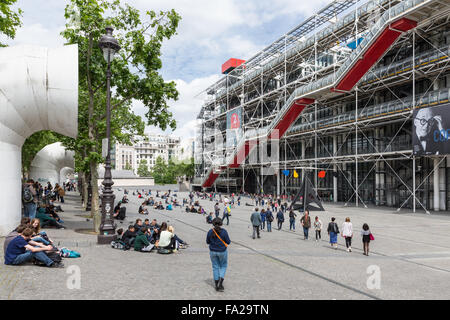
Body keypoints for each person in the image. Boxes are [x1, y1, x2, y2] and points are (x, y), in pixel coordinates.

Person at [206, 218, 231, 292]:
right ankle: (220, 282)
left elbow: (207, 242)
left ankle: (216, 283)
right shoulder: (224, 232)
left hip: (213, 251)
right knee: (223, 266)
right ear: (221, 223)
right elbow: (228, 242)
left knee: (215, 267)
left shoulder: (210, 232)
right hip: (222, 251)